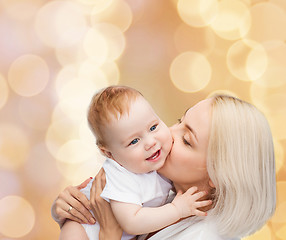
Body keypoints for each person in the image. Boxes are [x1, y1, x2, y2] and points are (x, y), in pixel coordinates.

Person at [52, 94, 276, 240]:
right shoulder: (164, 193)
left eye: (187, 140)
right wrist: (72, 208)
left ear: (218, 174)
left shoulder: (203, 236)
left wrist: (109, 233)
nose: (167, 134)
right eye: (179, 121)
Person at [53, 86, 211, 240]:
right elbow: (132, 222)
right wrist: (177, 209)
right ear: (109, 154)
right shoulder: (121, 176)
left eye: (153, 127)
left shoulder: (203, 232)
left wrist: (109, 235)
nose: (150, 142)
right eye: (134, 141)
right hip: (84, 226)